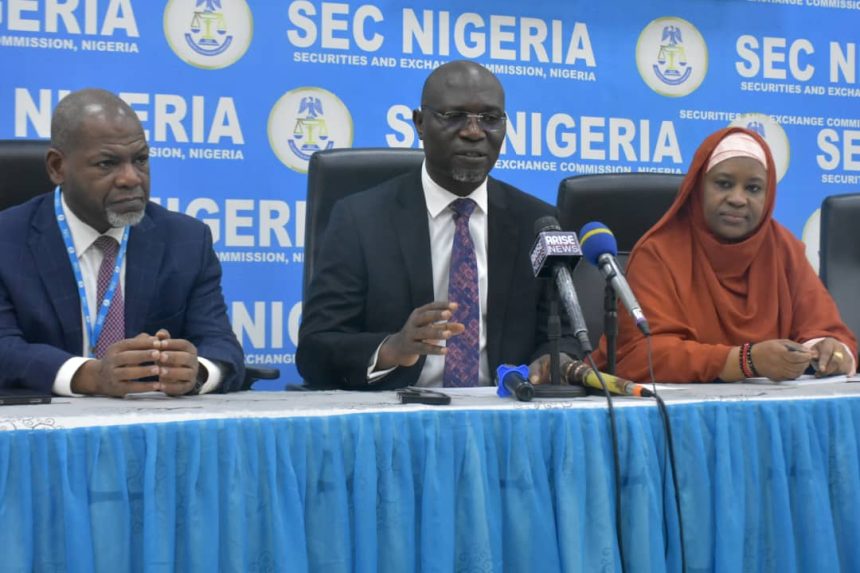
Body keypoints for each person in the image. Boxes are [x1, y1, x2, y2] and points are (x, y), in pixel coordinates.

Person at [297, 61, 580, 390]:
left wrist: (553, 359)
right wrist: (391, 349)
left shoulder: (537, 222)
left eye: (490, 119)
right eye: (454, 116)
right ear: (419, 123)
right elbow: (315, 350)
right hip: (397, 419)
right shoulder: (360, 220)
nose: (474, 132)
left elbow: (567, 337)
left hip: (508, 416)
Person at [0, 88, 245, 396]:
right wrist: (88, 375)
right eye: (107, 163)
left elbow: (221, 345)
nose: (131, 178)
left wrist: (196, 372)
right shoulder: (7, 240)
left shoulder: (185, 240)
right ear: (57, 167)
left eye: (140, 159)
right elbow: (4, 348)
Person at [593, 127, 856, 383]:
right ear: (698, 187)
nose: (738, 199)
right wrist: (743, 361)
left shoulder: (783, 248)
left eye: (753, 189)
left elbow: (828, 330)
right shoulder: (658, 252)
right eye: (724, 184)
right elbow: (641, 356)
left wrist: (828, 351)